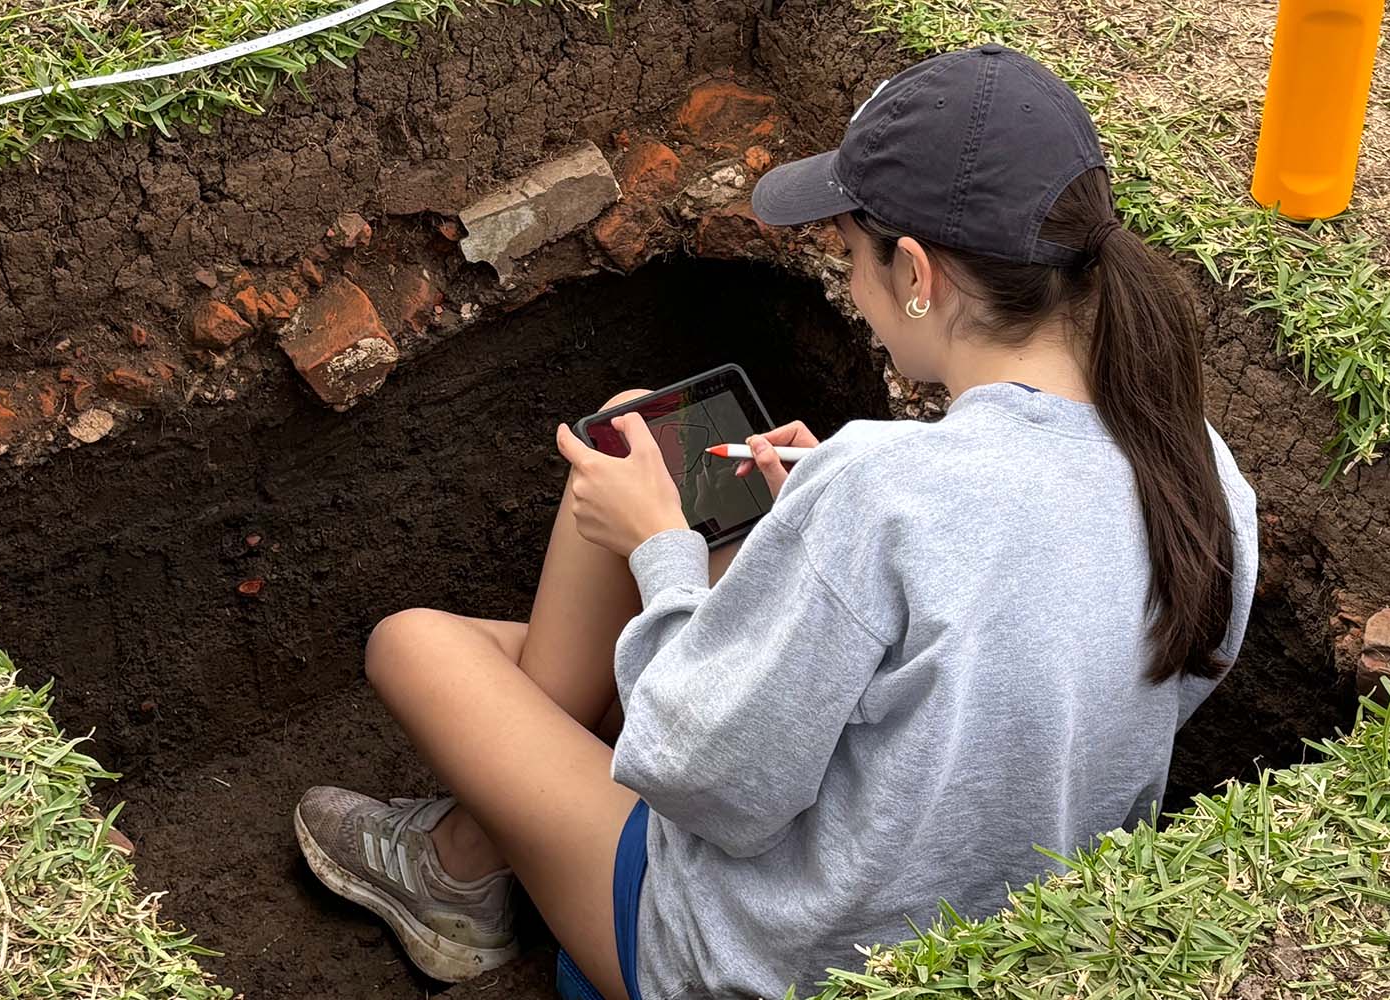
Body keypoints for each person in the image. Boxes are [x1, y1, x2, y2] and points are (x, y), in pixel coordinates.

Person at [292, 43, 1259, 1000]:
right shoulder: (1200, 471)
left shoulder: (883, 488)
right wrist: (808, 517)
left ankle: (460, 873)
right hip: (984, 923)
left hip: (771, 959)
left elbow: (699, 778)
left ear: (916, 270)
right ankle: (474, 860)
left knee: (415, 646)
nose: (855, 282)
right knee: (644, 434)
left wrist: (662, 554)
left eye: (850, 251)